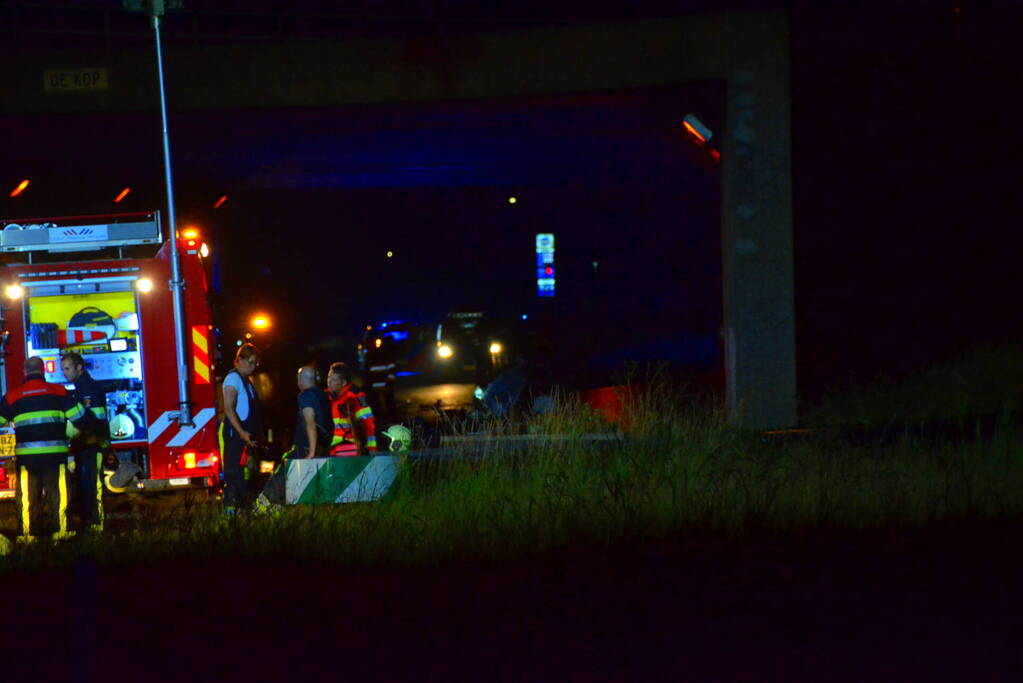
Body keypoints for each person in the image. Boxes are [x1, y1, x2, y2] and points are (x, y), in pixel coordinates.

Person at [0, 357, 99, 540]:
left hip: (27, 458)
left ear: (24, 372)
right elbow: (81, 419)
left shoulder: (13, 396)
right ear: (43, 371)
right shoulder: (60, 392)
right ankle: (61, 533)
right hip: (55, 456)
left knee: (28, 498)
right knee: (58, 495)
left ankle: (29, 537)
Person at [61, 351, 110, 531]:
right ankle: (90, 523)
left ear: (79, 367)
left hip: (92, 444)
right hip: (85, 444)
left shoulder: (87, 388)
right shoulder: (81, 386)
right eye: (62, 369)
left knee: (92, 485)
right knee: (85, 485)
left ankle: (96, 525)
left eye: (67, 368)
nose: (64, 373)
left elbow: (95, 419)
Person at [219, 343, 263, 513]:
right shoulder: (233, 379)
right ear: (239, 360)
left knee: (245, 475)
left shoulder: (247, 382)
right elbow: (229, 408)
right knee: (233, 473)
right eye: (250, 363)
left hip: (245, 436)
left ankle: (242, 509)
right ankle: (230, 511)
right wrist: (242, 432)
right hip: (235, 435)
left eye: (255, 364)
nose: (253, 367)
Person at [326, 362, 377, 456]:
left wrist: (372, 447)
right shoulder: (327, 395)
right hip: (333, 448)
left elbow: (368, 422)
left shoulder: (355, 395)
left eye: (333, 379)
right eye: (328, 377)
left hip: (350, 447)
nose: (329, 381)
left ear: (343, 383)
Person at [293, 365, 332, 460]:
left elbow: (310, 423)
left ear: (300, 379)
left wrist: (311, 453)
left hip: (307, 447)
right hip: (324, 448)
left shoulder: (305, 396)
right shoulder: (323, 395)